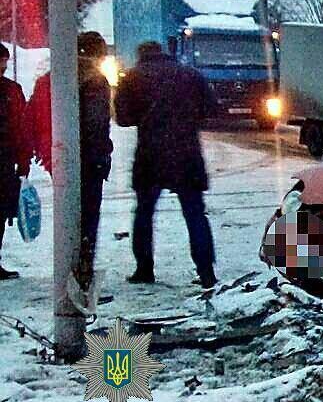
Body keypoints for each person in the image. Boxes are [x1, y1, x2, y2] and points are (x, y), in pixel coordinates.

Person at [115, 41, 219, 288]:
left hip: (150, 156)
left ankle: (144, 268)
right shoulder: (190, 74)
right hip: (187, 154)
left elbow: (122, 118)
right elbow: (212, 109)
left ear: (141, 55)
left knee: (144, 213)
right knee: (195, 213)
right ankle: (206, 272)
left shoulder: (132, 77)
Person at [30, 32, 115, 285]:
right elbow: (96, 123)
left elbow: (34, 115)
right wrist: (101, 156)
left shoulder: (49, 78)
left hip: (59, 157)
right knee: (87, 220)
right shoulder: (95, 81)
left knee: (67, 216)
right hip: (88, 161)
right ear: (97, 54)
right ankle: (81, 276)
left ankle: (66, 269)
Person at [0, 44, 32, 280]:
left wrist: (23, 161)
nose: (4, 66)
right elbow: (20, 128)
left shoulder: (11, 90)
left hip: (5, 160)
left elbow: (21, 128)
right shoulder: (11, 90)